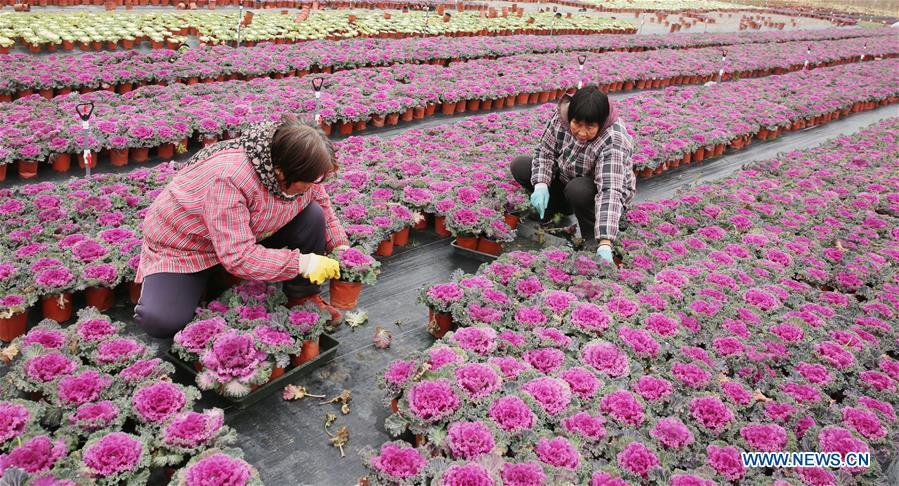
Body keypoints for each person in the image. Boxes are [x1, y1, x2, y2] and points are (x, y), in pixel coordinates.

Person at [134, 115, 348, 338]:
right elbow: (238, 256)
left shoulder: (295, 165)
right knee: (161, 320)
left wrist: (340, 247)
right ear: (280, 170)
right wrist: (301, 263)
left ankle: (303, 296)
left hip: (241, 234)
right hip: (187, 248)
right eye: (309, 181)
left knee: (313, 214)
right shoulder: (230, 177)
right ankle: (212, 275)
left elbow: (322, 205)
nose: (313, 186)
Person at [510, 86, 636, 263]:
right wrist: (541, 185)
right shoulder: (561, 118)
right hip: (567, 178)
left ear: (601, 123)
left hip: (593, 194)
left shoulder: (614, 139)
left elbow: (610, 191)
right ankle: (552, 209)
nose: (582, 133)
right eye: (577, 124)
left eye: (590, 127)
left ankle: (592, 237)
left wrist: (605, 242)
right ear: (571, 116)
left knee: (578, 189)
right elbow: (545, 152)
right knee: (520, 166)